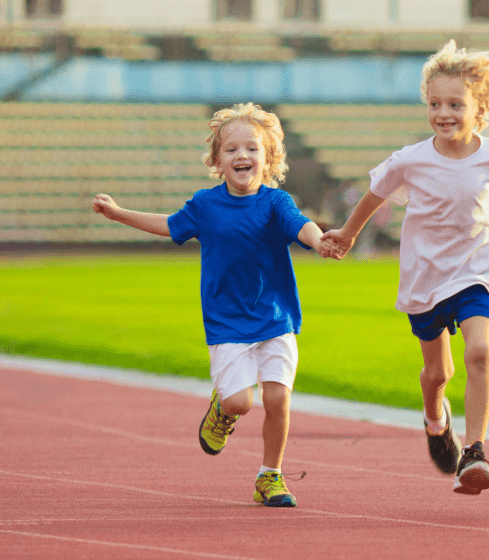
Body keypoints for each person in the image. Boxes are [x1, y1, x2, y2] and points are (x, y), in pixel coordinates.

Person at [320, 40, 489, 495]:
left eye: (456, 104)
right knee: (438, 374)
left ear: (480, 109)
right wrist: (349, 233)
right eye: (435, 103)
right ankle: (436, 420)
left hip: (478, 270)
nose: (444, 112)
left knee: (481, 353)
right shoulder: (410, 160)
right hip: (427, 276)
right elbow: (375, 193)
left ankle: (474, 452)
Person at [92, 103, 329, 508]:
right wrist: (117, 214)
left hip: (276, 317)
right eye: (232, 149)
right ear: (217, 161)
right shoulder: (205, 205)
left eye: (252, 149)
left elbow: (301, 226)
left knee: (277, 399)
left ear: (268, 158)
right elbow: (169, 225)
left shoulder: (276, 202)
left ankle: (270, 477)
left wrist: (320, 240)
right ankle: (222, 409)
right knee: (241, 402)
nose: (242, 156)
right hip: (227, 322)